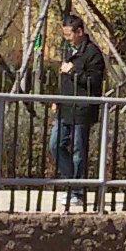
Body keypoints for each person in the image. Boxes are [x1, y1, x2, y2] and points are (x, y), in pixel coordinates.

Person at [49, 15, 105, 208]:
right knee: (55, 145)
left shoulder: (93, 54)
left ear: (79, 32)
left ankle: (77, 191)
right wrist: (58, 98)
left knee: (79, 150)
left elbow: (94, 82)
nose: (66, 38)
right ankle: (73, 182)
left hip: (82, 108)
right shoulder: (68, 51)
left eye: (69, 34)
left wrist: (73, 72)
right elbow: (64, 79)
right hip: (66, 106)